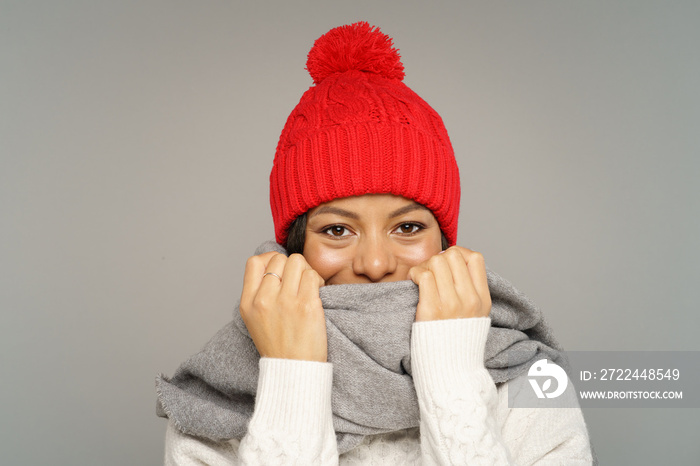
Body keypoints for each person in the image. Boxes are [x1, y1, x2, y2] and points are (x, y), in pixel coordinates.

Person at [156, 22, 595, 465]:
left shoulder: (531, 380)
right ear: (294, 248)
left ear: (444, 243)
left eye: (407, 228)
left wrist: (451, 372)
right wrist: (292, 376)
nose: (375, 263)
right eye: (337, 230)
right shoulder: (215, 405)